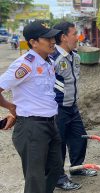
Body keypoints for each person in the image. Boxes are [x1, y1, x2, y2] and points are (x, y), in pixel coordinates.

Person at [0, 21, 62, 193]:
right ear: (34, 42)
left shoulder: (48, 62)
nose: (52, 41)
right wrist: (10, 106)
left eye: (53, 37)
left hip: (50, 123)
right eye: (47, 38)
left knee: (56, 168)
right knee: (35, 178)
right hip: (32, 127)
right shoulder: (25, 64)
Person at [51, 22, 97, 191]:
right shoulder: (52, 58)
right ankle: (59, 178)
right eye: (74, 33)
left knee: (79, 137)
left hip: (72, 106)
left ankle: (77, 169)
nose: (78, 37)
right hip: (57, 108)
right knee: (59, 143)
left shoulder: (75, 56)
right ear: (63, 37)